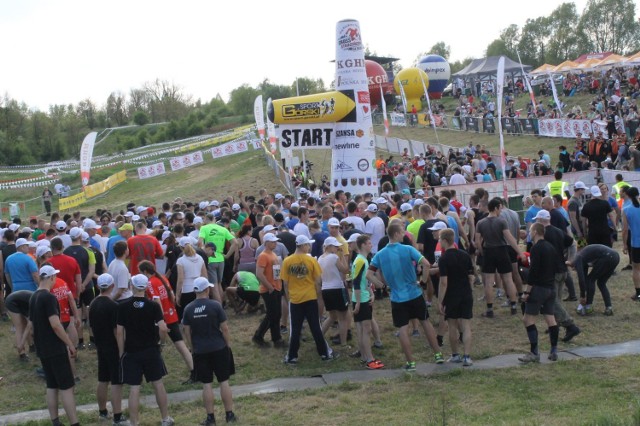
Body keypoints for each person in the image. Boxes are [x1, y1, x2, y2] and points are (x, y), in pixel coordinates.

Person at [366, 222, 444, 370]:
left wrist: (382, 286)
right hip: (414, 293)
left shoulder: (380, 254)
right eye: (402, 232)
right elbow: (426, 264)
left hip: (397, 297)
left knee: (403, 328)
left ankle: (410, 362)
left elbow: (369, 274)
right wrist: (423, 282)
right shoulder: (407, 249)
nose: (404, 235)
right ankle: (438, 354)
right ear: (395, 234)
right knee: (425, 322)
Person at [116, 274, 174, 426]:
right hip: (151, 350)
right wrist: (162, 343)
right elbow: (162, 328)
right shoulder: (153, 305)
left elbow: (120, 332)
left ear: (132, 286)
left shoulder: (122, 306)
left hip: (132, 351)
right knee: (158, 384)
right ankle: (165, 418)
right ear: (146, 287)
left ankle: (134, 422)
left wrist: (121, 352)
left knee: (134, 388)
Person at [182, 277, 237, 425]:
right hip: (218, 347)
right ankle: (229, 415)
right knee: (224, 382)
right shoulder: (215, 306)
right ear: (207, 289)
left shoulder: (188, 309)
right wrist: (227, 344)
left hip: (200, 350)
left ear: (195, 290)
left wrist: (192, 347)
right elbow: (224, 328)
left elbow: (187, 331)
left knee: (206, 385)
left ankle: (210, 417)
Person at [30, 265, 79, 426]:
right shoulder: (49, 297)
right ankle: (74, 422)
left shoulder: (33, 297)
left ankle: (55, 421)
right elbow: (56, 325)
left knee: (51, 385)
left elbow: (32, 324)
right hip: (55, 347)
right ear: (51, 278)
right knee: (66, 386)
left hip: (42, 347)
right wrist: (69, 343)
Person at [139, 260, 195, 385]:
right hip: (172, 316)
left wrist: (160, 319)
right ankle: (194, 371)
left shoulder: (150, 283)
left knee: (155, 347)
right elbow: (172, 296)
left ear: (145, 272)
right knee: (181, 345)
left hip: (162, 319)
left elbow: (157, 301)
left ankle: (154, 375)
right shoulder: (163, 278)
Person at [282, 235, 335, 364]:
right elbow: (318, 280)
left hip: (295, 299)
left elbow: (285, 283)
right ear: (303, 245)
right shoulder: (311, 260)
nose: (310, 247)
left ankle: (292, 357)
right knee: (315, 326)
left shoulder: (287, 261)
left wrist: (289, 297)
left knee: (295, 329)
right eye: (308, 245)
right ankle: (324, 353)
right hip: (310, 297)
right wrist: (317, 295)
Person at [89, 273, 129, 425]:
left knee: (102, 379)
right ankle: (118, 416)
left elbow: (91, 328)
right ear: (112, 286)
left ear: (98, 286)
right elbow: (117, 332)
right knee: (116, 382)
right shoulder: (114, 306)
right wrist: (121, 351)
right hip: (112, 346)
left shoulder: (93, 304)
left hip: (100, 345)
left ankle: (102, 411)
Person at [519, 223, 561, 363]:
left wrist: (527, 292)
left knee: (528, 319)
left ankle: (534, 352)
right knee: (551, 319)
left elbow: (533, 271)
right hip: (551, 288)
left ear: (536, 231)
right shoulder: (551, 247)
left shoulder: (536, 248)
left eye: (530, 231)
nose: (529, 233)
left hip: (538, 288)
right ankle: (554, 350)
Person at [474, 198, 523, 318]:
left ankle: (490, 309)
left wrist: (481, 252)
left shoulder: (481, 223)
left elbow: (477, 241)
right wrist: (519, 251)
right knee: (508, 279)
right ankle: (513, 305)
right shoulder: (501, 221)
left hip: (488, 251)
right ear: (496, 208)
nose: (501, 210)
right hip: (502, 250)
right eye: (500, 208)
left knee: (489, 282)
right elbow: (509, 238)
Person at [437, 229, 474, 367]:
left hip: (452, 295)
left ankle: (455, 355)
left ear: (445, 241)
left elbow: (444, 282)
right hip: (466, 293)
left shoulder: (444, 259)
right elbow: (471, 276)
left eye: (440, 239)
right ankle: (467, 356)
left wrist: (440, 300)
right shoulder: (465, 255)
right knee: (466, 325)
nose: (439, 242)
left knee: (452, 325)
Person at [351, 234, 384, 370]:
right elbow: (356, 282)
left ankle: (365, 356)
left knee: (361, 329)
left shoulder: (363, 259)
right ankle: (369, 359)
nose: (371, 245)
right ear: (363, 245)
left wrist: (372, 293)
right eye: (369, 243)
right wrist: (359, 302)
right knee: (365, 329)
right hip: (361, 299)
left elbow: (365, 281)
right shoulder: (360, 261)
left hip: (363, 297)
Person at [253, 233, 285, 347]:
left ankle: (275, 338)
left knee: (276, 314)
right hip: (269, 289)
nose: (275, 243)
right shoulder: (263, 255)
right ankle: (261, 336)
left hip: (275, 287)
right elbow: (259, 274)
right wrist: (270, 287)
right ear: (266, 243)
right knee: (273, 314)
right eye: (273, 242)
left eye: (275, 241)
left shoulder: (273, 254)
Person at [567, 244, 618, 316]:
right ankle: (608, 308)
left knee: (590, 279)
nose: (575, 270)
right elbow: (584, 278)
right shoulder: (584, 257)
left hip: (607, 256)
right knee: (601, 283)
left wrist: (582, 296)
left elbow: (581, 279)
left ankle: (588, 307)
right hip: (615, 256)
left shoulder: (578, 258)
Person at [318, 237, 351, 346]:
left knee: (332, 316)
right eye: (336, 246)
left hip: (325, 289)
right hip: (337, 288)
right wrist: (343, 257)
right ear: (329, 247)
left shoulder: (320, 258)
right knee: (343, 317)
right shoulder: (333, 257)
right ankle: (344, 342)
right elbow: (345, 270)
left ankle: (319, 336)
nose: (337, 248)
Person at [176, 237, 207, 319]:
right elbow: (205, 275)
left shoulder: (180, 260)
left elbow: (180, 280)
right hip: (199, 288)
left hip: (186, 290)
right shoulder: (200, 258)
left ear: (181, 248)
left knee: (188, 316)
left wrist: (177, 294)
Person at [622, 186, 640, 301]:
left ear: (627, 195)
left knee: (636, 269)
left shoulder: (626, 209)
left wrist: (624, 245)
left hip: (636, 243)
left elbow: (624, 230)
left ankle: (638, 294)